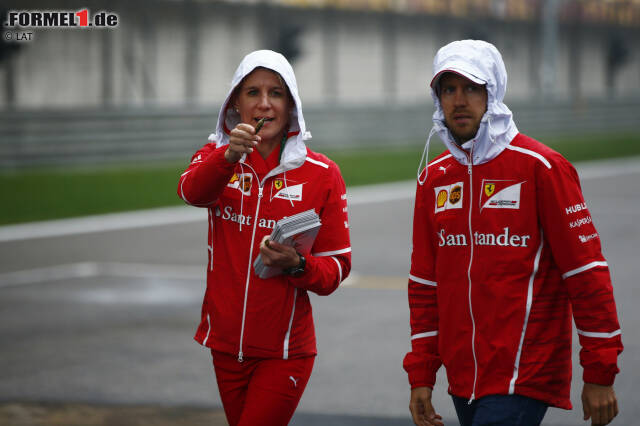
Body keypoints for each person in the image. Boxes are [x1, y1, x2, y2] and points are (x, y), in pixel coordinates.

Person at [403, 40, 623, 426]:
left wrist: (600, 372)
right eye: (448, 89)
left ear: (494, 92)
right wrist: (422, 372)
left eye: (472, 88)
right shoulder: (433, 178)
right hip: (463, 379)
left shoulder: (543, 168)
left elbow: (586, 274)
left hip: (525, 372)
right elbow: (424, 284)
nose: (459, 100)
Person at [177, 50, 351, 426]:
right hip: (223, 346)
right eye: (252, 92)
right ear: (235, 104)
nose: (264, 104)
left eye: (276, 93)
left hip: (284, 352)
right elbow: (191, 193)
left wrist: (298, 264)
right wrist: (227, 157)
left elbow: (337, 268)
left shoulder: (323, 173)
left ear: (291, 105)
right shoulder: (215, 156)